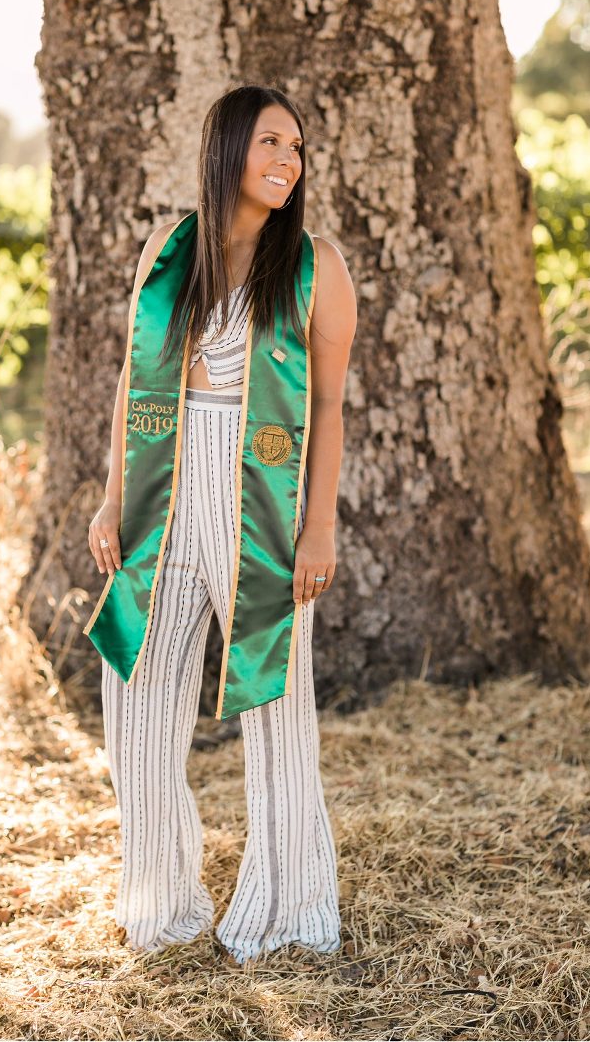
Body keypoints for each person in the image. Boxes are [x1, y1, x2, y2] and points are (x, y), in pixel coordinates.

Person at [86, 84, 357, 966]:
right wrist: (108, 495)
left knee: (275, 708)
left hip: (261, 504)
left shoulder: (317, 266)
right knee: (136, 692)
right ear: (228, 147)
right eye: (272, 141)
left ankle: (284, 908)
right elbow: (135, 382)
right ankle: (163, 898)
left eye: (299, 147)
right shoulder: (169, 256)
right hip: (165, 495)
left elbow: (329, 410)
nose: (289, 161)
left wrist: (318, 529)